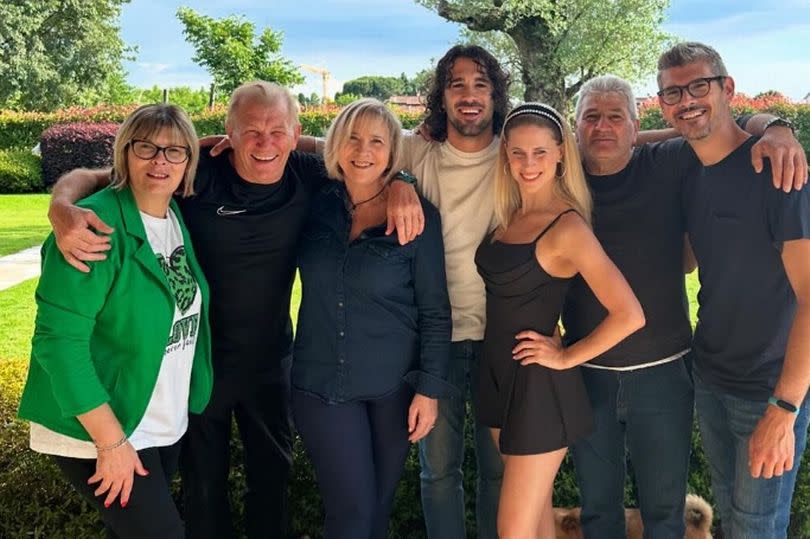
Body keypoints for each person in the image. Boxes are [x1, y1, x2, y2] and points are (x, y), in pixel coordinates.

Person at [46, 82, 423, 539]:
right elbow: (101, 176)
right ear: (228, 132)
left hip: (271, 360)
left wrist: (403, 181)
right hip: (199, 364)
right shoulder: (195, 171)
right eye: (250, 132)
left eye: (277, 131)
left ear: (295, 132)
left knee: (272, 482)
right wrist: (61, 206)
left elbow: (362, 154)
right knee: (204, 487)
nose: (265, 144)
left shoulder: (308, 173)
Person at [17, 104, 212, 538]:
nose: (161, 160)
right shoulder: (92, 228)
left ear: (189, 162)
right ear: (125, 153)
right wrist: (111, 442)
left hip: (156, 417)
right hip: (101, 428)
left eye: (175, 151)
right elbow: (58, 342)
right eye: (147, 147)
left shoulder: (172, 217)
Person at [658, 41, 810, 538]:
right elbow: (639, 139)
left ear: (728, 88)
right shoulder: (687, 166)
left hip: (766, 387)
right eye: (673, 93)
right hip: (712, 377)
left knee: (758, 527)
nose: (687, 101)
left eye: (699, 86)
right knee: (731, 519)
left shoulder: (776, 172)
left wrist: (784, 409)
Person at [474, 102, 645, 538]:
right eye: (518, 153)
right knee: (534, 520)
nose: (528, 164)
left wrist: (567, 357)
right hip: (497, 377)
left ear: (560, 155)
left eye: (540, 153)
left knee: (511, 530)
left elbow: (629, 314)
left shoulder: (568, 228)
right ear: (506, 156)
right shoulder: (508, 216)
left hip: (538, 388)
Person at [291, 98, 455, 539]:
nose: (363, 151)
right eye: (353, 138)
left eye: (377, 142)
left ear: (391, 152)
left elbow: (436, 311)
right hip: (321, 384)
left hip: (393, 390)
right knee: (352, 514)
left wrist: (429, 391)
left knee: (377, 512)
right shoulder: (314, 199)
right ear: (336, 145)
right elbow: (268, 146)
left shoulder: (418, 215)